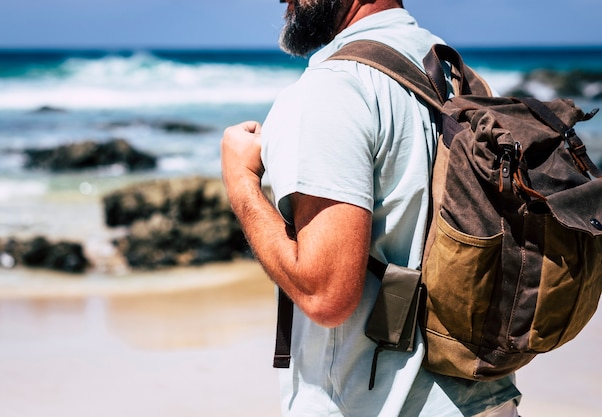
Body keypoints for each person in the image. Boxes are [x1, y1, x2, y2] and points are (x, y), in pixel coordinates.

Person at [221, 1, 521, 416]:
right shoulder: (458, 75)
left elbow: (325, 294)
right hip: (485, 399)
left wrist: (241, 183)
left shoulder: (333, 87)